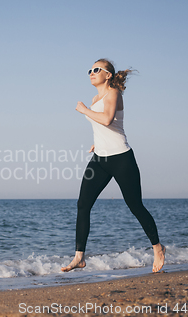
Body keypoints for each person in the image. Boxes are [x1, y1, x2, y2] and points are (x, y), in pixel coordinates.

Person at [61, 59, 165, 273]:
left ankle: (158, 247)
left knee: (135, 205)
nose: (91, 72)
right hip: (100, 159)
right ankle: (79, 257)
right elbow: (103, 127)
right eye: (90, 70)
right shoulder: (95, 97)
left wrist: (83, 110)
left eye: (96, 69)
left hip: (121, 158)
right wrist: (97, 142)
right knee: (83, 204)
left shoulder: (114, 93)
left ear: (108, 75)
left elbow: (108, 119)